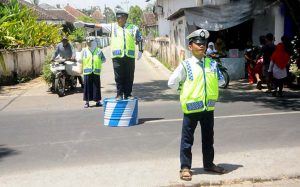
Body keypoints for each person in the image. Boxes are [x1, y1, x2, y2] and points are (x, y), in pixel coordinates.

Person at [168, 29, 227, 181]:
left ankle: (209, 164)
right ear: (190, 46)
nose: (202, 46)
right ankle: (185, 168)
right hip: (192, 108)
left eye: (204, 44)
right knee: (187, 140)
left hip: (208, 108)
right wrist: (183, 89)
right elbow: (172, 82)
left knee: (209, 138)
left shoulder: (212, 65)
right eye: (198, 44)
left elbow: (221, 81)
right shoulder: (186, 65)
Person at [74, 7, 143, 100]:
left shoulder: (133, 28)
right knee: (118, 77)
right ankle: (119, 94)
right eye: (117, 18)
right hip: (117, 57)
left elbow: (140, 39)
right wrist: (85, 24)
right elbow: (98, 26)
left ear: (125, 17)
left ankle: (128, 94)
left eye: (120, 17)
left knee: (129, 76)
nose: (118, 19)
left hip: (129, 56)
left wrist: (140, 51)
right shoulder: (113, 27)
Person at [81, 36, 106, 108]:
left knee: (96, 87)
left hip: (96, 71)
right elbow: (80, 60)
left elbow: (104, 59)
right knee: (87, 87)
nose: (89, 43)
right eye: (88, 41)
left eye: (90, 41)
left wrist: (98, 62)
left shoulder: (99, 51)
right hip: (87, 71)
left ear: (94, 42)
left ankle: (97, 101)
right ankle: (87, 102)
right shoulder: (84, 50)